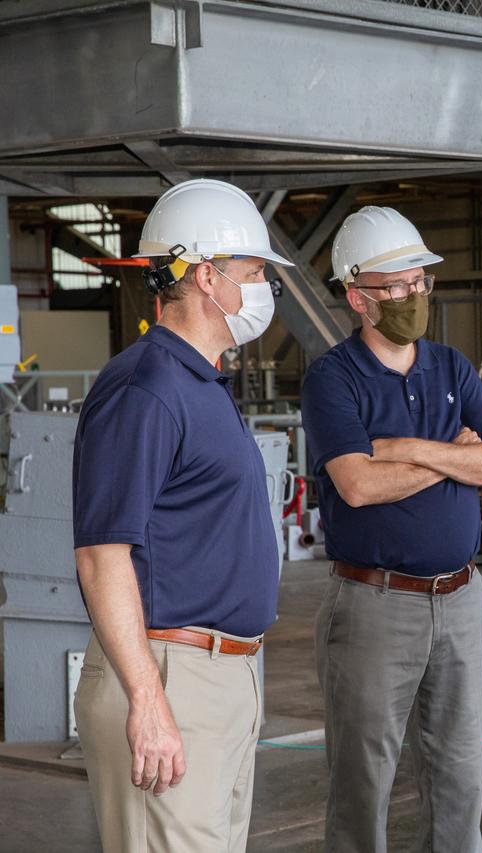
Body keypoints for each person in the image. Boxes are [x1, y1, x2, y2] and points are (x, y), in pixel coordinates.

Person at [72, 178, 292, 852]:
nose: (264, 289)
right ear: (206, 276)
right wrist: (148, 698)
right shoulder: (146, 387)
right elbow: (102, 554)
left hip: (220, 674)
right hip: (170, 673)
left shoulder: (200, 380)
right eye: (254, 272)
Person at [301, 206, 482, 853]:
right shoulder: (332, 378)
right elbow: (358, 484)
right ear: (357, 295)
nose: (410, 295)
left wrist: (406, 449)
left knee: (460, 779)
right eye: (394, 286)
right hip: (375, 604)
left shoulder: (451, 366)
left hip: (459, 597)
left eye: (418, 281)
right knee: (362, 785)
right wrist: (453, 454)